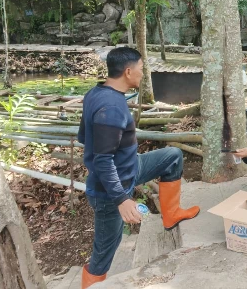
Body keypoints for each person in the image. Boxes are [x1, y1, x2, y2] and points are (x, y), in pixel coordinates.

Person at [78, 47, 200, 288]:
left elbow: (84, 138)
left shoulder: (96, 92)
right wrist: (122, 200)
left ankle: (171, 214)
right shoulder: (110, 108)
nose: (143, 74)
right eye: (142, 69)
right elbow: (102, 160)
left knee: (173, 156)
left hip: (131, 169)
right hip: (109, 192)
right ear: (127, 71)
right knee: (104, 254)